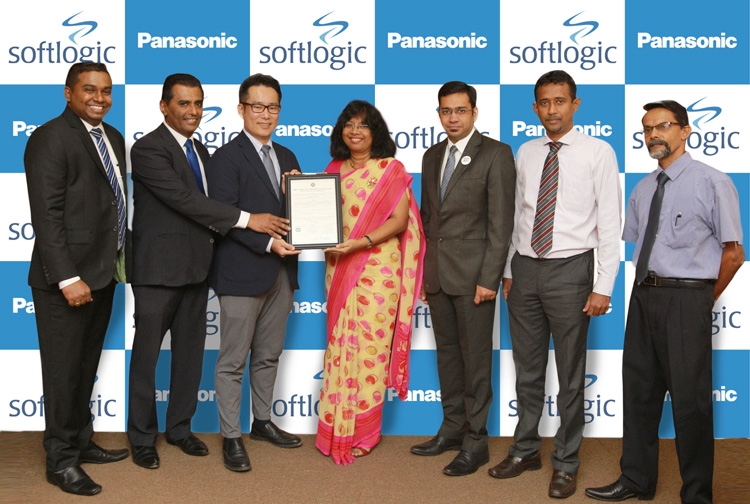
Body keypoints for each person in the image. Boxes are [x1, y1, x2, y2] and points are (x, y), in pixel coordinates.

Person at [585, 101, 744, 504]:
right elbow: (641, 245)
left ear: (685, 131)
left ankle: (697, 493)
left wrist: (703, 298)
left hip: (687, 298)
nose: (653, 134)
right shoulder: (643, 187)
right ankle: (636, 479)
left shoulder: (713, 182)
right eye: (647, 128)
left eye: (663, 126)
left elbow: (733, 253)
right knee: (638, 391)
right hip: (644, 296)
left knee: (690, 402)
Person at [128, 73, 287, 469]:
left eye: (198, 103)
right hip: (157, 272)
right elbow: (184, 199)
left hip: (197, 269)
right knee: (147, 359)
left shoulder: (200, 150)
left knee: (188, 357)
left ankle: (179, 429)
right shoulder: (147, 149)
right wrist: (248, 219)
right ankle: (143, 438)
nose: (193, 111)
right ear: (164, 106)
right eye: (184, 103)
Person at [491, 70, 621, 499]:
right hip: (524, 270)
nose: (552, 110)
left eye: (560, 101)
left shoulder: (599, 151)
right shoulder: (526, 152)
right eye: (544, 102)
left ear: (575, 104)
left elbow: (610, 222)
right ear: (535, 108)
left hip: (571, 270)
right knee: (527, 371)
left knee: (570, 375)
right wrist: (509, 269)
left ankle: (566, 462)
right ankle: (525, 449)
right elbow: (517, 216)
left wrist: (604, 284)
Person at [24, 62, 130, 496]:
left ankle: (81, 441)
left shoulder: (113, 137)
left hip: (103, 274)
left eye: (106, 91)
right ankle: (61, 461)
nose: (99, 98)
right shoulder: (50, 137)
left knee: (85, 368)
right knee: (63, 373)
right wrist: (67, 277)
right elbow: (46, 215)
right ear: (68, 93)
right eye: (89, 90)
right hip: (65, 281)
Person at [410, 81, 516, 476]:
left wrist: (490, 277)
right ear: (439, 114)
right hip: (438, 275)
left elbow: (501, 223)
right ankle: (452, 429)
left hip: (475, 280)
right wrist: (425, 272)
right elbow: (428, 220)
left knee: (476, 362)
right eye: (446, 111)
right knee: (448, 358)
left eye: (460, 110)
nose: (452, 117)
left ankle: (476, 442)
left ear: (474, 112)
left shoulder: (496, 153)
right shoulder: (432, 155)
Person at [315, 100, 424, 466]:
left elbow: (399, 221)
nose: (355, 131)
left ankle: (364, 433)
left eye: (363, 125)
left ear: (375, 132)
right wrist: (296, 187)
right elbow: (318, 216)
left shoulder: (390, 169)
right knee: (339, 346)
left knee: (371, 351)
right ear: (341, 131)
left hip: (378, 270)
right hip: (339, 267)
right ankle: (335, 428)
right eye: (349, 124)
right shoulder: (332, 170)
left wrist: (360, 243)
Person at [207, 73, 303, 473]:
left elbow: (297, 217)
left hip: (282, 273)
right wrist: (266, 244)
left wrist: (300, 197)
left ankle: (262, 422)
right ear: (241, 109)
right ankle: (231, 436)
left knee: (268, 355)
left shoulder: (288, 156)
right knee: (233, 361)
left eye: (273, 107)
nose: (266, 114)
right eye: (258, 106)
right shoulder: (225, 158)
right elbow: (223, 218)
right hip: (241, 273)